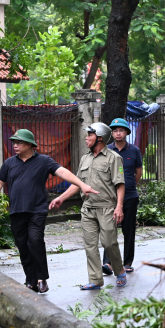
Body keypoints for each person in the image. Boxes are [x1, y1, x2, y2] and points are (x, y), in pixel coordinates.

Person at [0, 129, 98, 294]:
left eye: (19, 142)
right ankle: (31, 281)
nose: (15, 145)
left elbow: (62, 172)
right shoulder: (9, 163)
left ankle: (41, 278)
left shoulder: (44, 161)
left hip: (36, 210)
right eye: (14, 142)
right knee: (23, 246)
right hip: (16, 211)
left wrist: (82, 184)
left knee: (35, 240)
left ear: (30, 144)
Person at [49, 122, 127, 290]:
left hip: (107, 207)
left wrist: (119, 207)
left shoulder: (114, 158)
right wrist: (61, 198)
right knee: (90, 245)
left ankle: (119, 270)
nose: (86, 138)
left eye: (90, 135)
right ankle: (96, 279)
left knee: (108, 243)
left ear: (99, 138)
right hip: (88, 208)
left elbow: (120, 184)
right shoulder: (85, 158)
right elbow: (77, 183)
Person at [101, 118, 142, 276]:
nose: (118, 133)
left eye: (121, 130)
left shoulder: (134, 150)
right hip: (110, 196)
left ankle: (127, 263)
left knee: (128, 230)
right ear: (112, 133)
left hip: (130, 196)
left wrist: (129, 186)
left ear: (126, 133)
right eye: (115, 130)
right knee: (109, 229)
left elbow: (138, 171)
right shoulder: (107, 150)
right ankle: (108, 263)